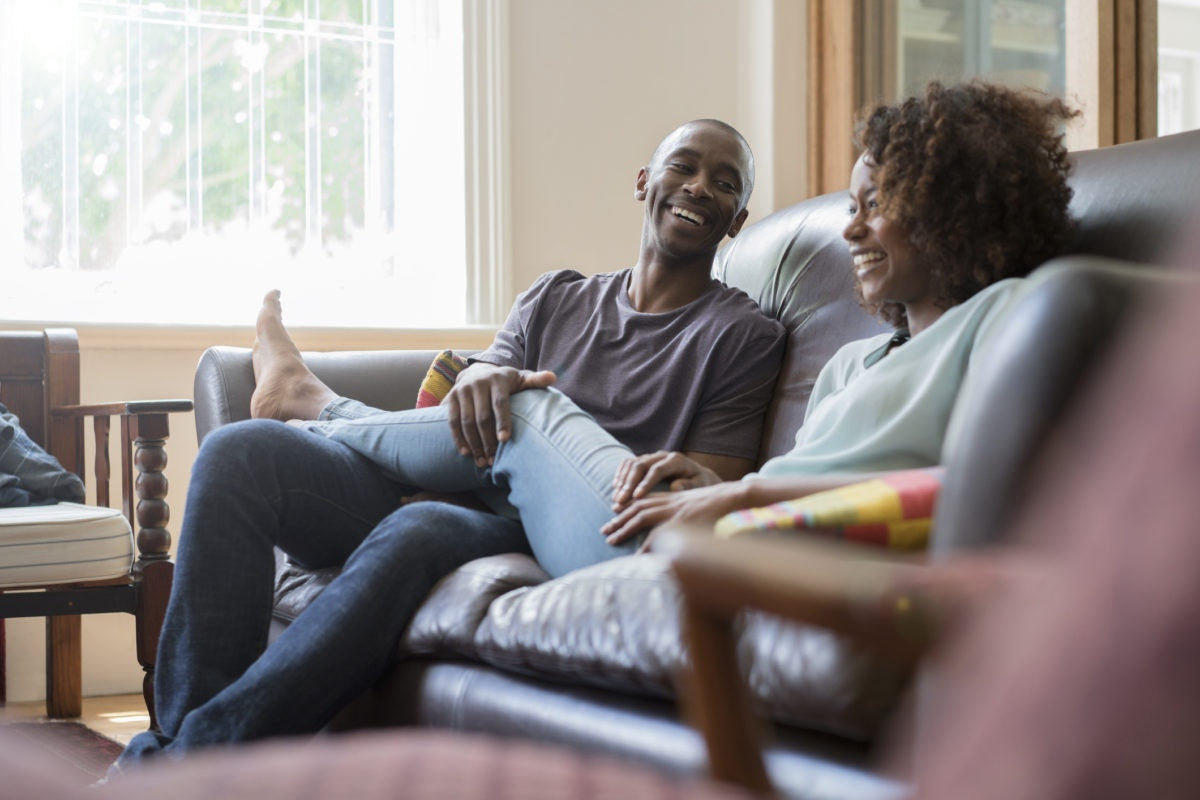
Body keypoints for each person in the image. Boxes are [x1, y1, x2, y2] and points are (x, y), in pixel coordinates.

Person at [111, 118, 786, 769]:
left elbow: (706, 484)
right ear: (645, 182)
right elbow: (471, 398)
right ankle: (180, 754)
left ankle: (189, 759)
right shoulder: (556, 297)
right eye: (685, 166)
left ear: (737, 220)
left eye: (726, 184)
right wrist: (477, 391)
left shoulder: (741, 335)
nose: (701, 187)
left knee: (422, 525)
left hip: (533, 528)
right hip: (451, 473)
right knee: (241, 455)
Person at [314, 80, 1078, 552]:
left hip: (729, 546)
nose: (850, 230)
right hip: (706, 524)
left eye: (876, 207)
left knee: (528, 401)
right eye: (851, 207)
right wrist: (699, 481)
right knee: (293, 469)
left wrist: (733, 494)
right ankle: (319, 419)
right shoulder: (853, 362)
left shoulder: (1008, 318)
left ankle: (321, 411)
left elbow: (976, 487)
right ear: (644, 180)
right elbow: (786, 472)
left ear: (950, 210)